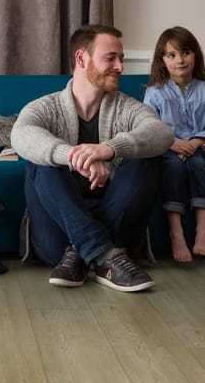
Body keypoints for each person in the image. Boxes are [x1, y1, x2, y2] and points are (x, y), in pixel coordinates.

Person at [11, 24, 174, 292]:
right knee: (41, 160)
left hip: (115, 227)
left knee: (145, 157)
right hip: (58, 238)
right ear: (81, 58)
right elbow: (21, 135)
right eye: (110, 58)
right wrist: (72, 156)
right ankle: (105, 255)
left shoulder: (126, 107)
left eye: (121, 58)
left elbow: (162, 133)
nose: (120, 66)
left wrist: (108, 149)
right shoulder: (45, 107)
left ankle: (89, 251)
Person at [143, 26, 205, 262]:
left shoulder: (204, 88)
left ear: (195, 54)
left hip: (199, 147)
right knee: (174, 167)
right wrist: (173, 143)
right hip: (168, 149)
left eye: (185, 53)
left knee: (198, 165)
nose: (180, 60)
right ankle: (176, 232)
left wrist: (196, 142)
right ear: (163, 60)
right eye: (172, 55)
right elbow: (149, 126)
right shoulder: (154, 92)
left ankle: (202, 230)